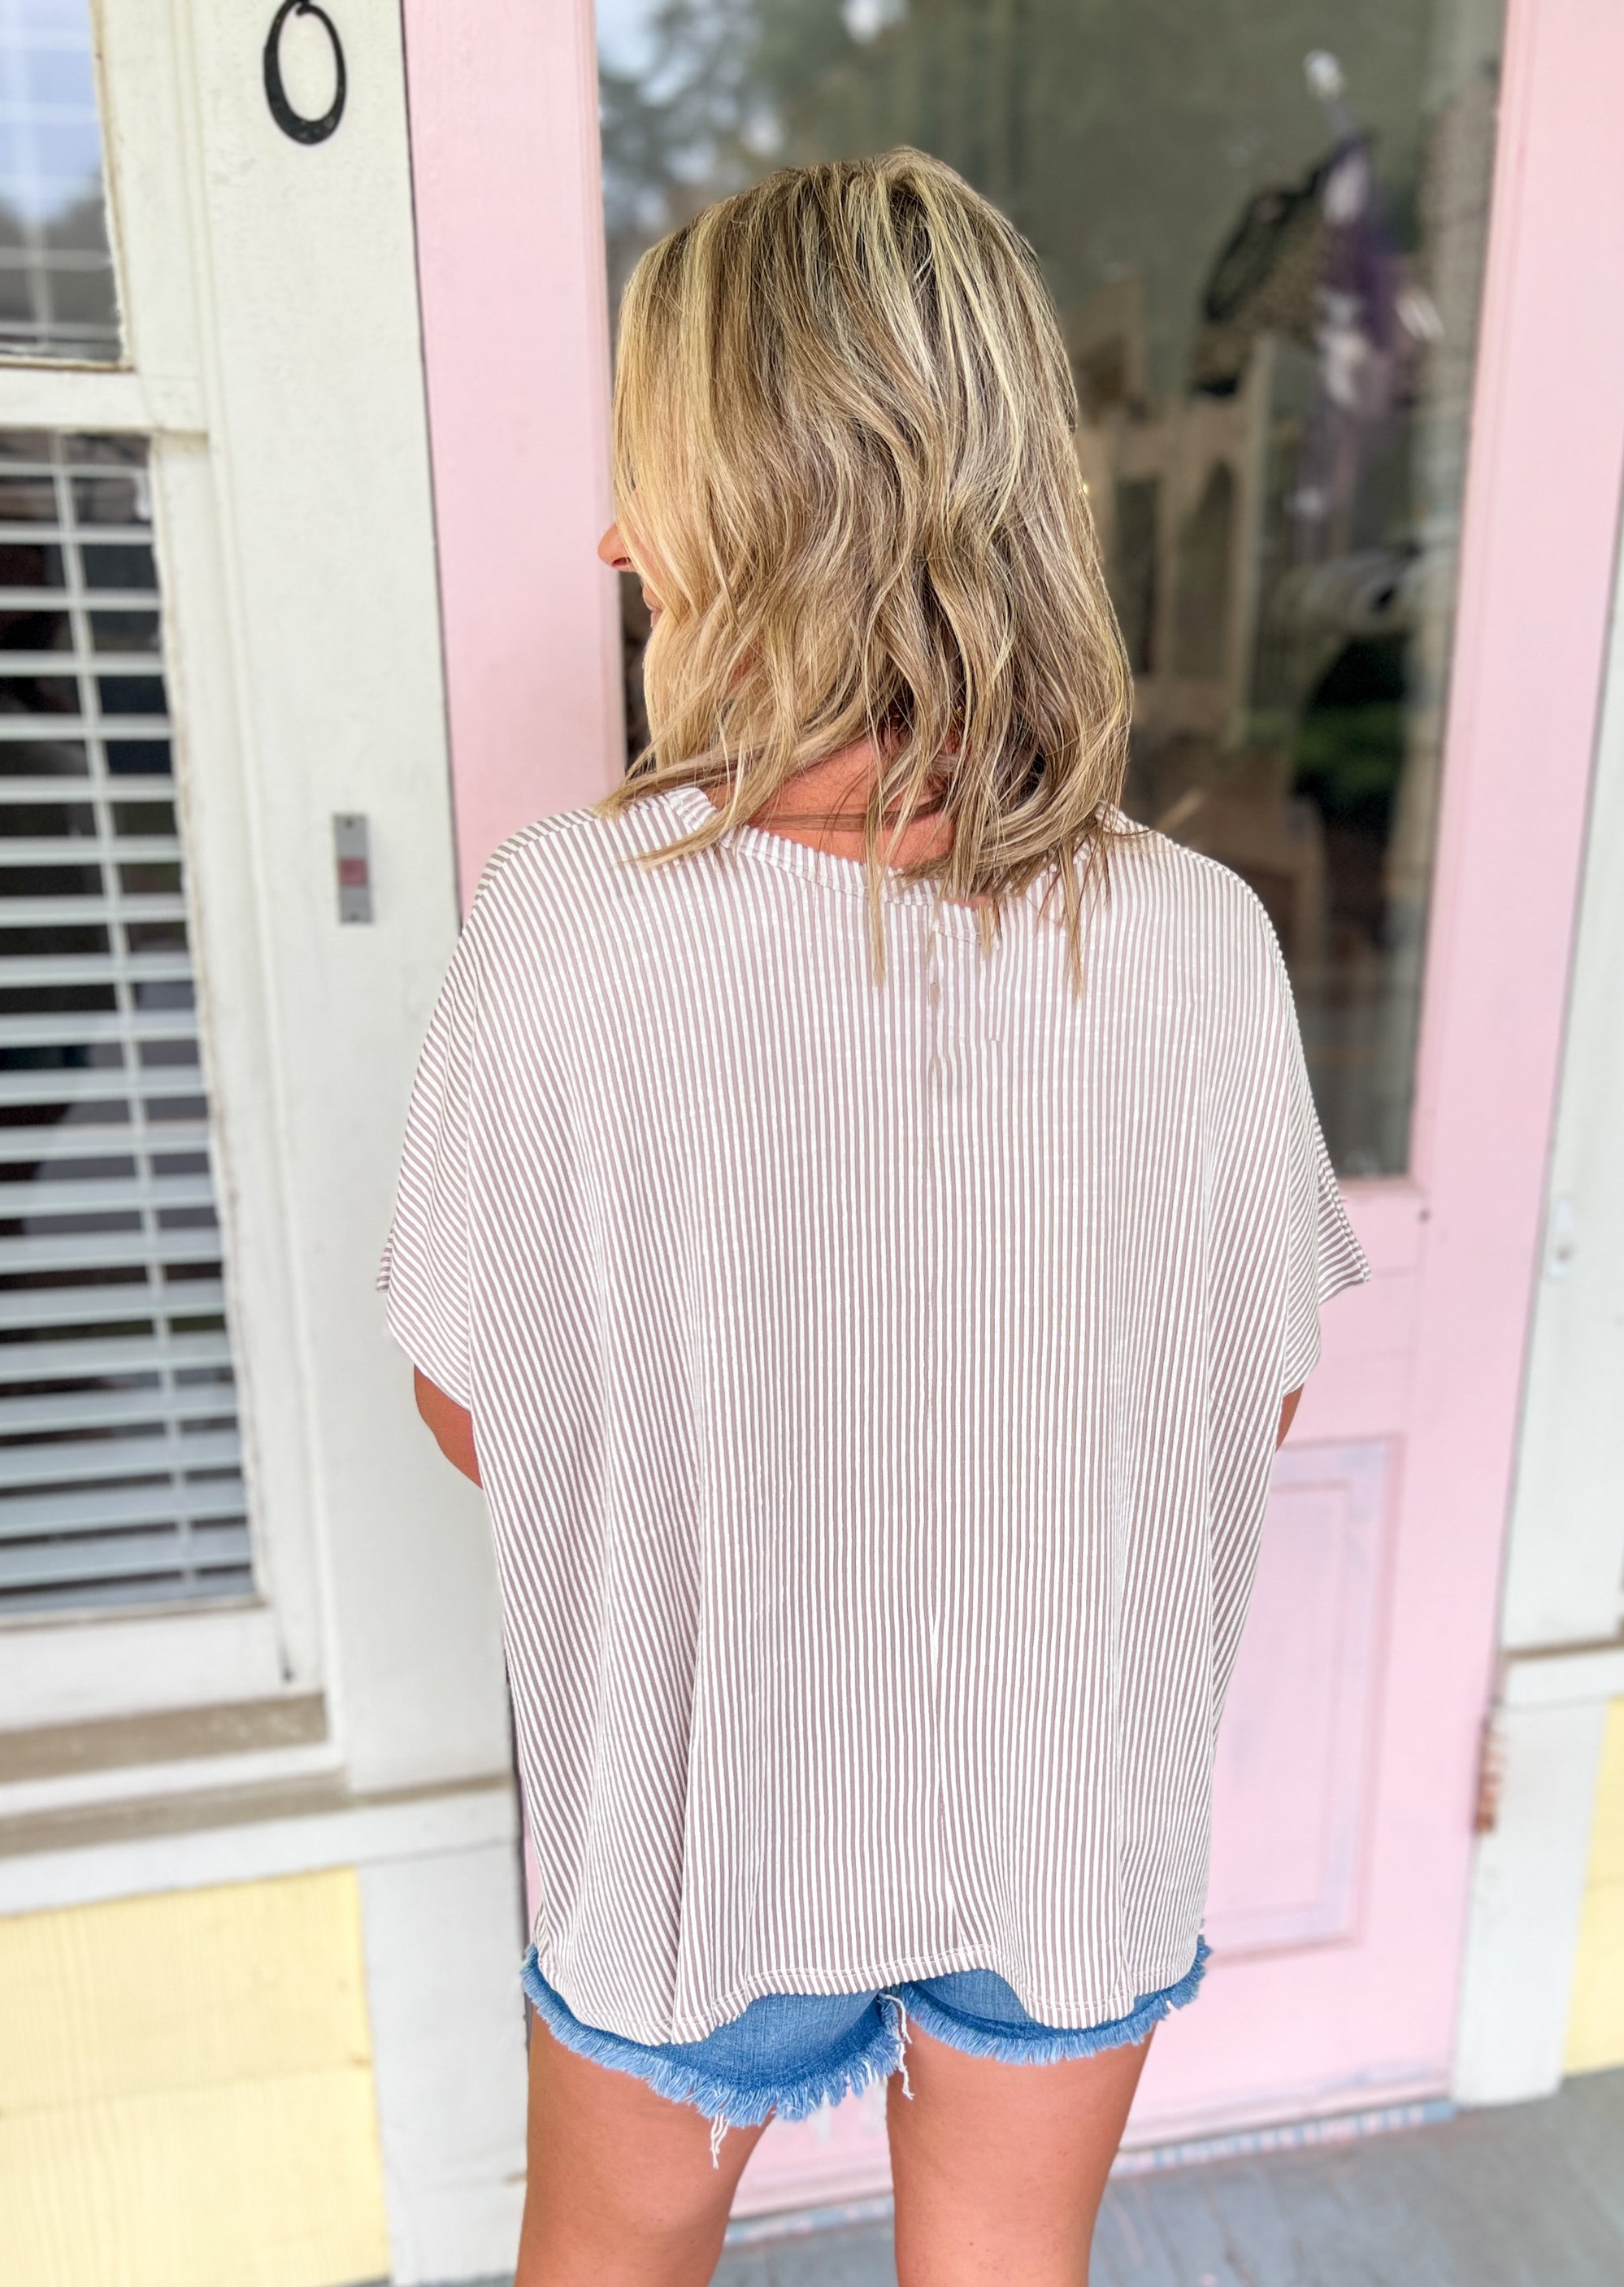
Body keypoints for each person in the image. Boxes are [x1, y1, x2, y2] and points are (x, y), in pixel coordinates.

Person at [379, 149, 1368, 2287]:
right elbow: (1251, 1391)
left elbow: (480, 1413)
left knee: (609, 2265)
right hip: (1066, 1805)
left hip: (703, 1817)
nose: (615, 538)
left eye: (652, 478)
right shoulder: (1199, 943)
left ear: (752, 515)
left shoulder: (568, 926)